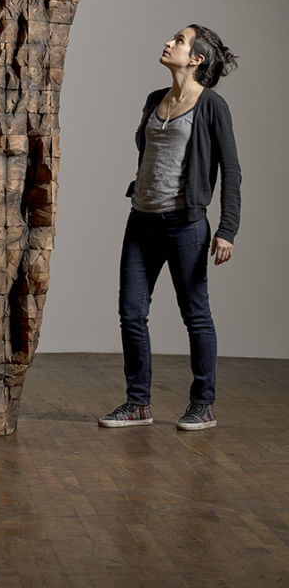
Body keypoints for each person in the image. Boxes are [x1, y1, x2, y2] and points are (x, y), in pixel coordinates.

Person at [98, 25, 240, 431]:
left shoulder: (212, 105)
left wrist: (227, 229)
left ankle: (203, 404)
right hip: (141, 220)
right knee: (131, 313)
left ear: (196, 58)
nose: (169, 43)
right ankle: (138, 403)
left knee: (195, 314)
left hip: (186, 225)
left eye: (178, 40)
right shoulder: (153, 100)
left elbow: (232, 172)